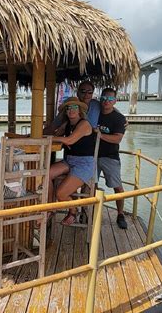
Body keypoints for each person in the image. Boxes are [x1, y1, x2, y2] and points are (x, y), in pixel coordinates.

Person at [48, 97, 96, 226]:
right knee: (46, 174)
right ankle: (50, 207)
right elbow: (56, 133)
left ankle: (73, 212)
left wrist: (53, 138)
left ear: (80, 110)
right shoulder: (67, 124)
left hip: (84, 163)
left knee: (61, 194)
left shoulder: (84, 124)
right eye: (68, 108)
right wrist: (48, 134)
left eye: (74, 108)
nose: (71, 110)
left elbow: (69, 140)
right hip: (69, 160)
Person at [97, 88, 128, 229]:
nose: (106, 102)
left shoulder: (119, 118)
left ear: (115, 101)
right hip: (92, 155)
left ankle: (120, 214)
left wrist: (100, 135)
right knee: (91, 185)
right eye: (104, 98)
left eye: (110, 99)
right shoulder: (94, 113)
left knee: (117, 187)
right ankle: (89, 211)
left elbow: (117, 139)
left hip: (110, 156)